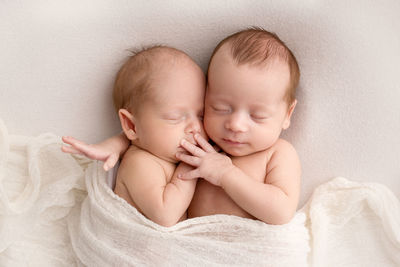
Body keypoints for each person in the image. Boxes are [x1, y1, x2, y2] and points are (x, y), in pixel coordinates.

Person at [63, 27, 301, 225]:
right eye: (219, 108)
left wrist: (226, 174)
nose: (236, 125)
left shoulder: (277, 154)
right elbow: (150, 137)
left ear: (287, 114)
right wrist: (116, 142)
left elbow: (280, 212)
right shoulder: (205, 143)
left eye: (258, 116)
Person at [63, 45, 207, 227]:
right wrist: (189, 166)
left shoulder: (164, 154)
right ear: (131, 125)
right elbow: (165, 215)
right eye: (175, 117)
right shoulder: (140, 163)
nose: (195, 127)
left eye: (201, 115)